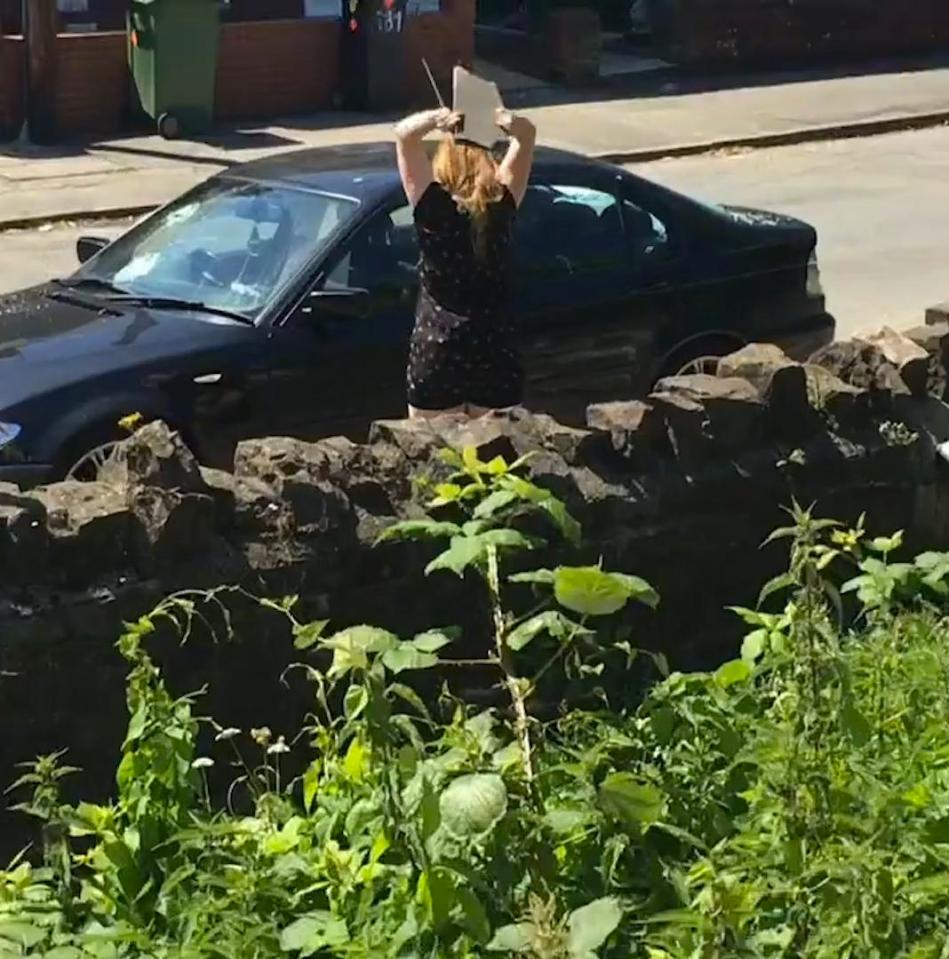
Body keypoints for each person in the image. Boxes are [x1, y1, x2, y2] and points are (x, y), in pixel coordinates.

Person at [393, 104, 536, 419]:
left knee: (433, 458)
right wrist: (504, 120)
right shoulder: (502, 205)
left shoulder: (432, 208)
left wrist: (436, 118)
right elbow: (526, 136)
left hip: (437, 349)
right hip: (495, 349)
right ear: (488, 159)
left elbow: (404, 135)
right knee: (496, 461)